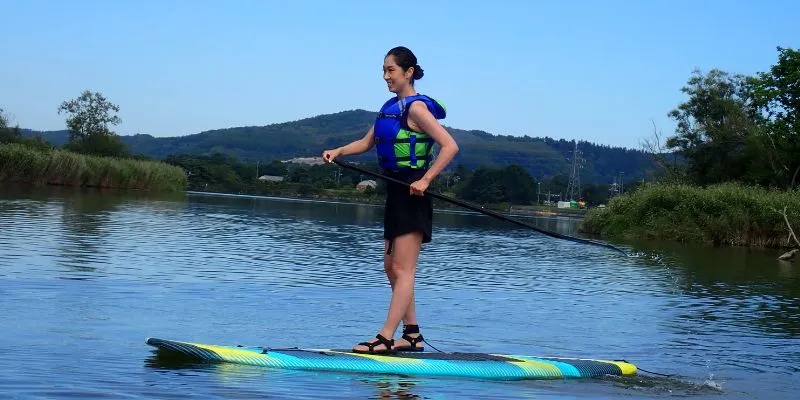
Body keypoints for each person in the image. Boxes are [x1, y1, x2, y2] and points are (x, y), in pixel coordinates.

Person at [322, 46, 459, 354]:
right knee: (391, 267)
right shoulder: (390, 107)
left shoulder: (416, 110)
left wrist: (426, 179)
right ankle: (411, 335)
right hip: (395, 193)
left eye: (391, 70)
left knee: (403, 269)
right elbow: (367, 142)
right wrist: (339, 151)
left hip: (413, 192)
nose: (385, 76)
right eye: (383, 70)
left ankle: (385, 337)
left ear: (408, 72)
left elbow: (450, 146)